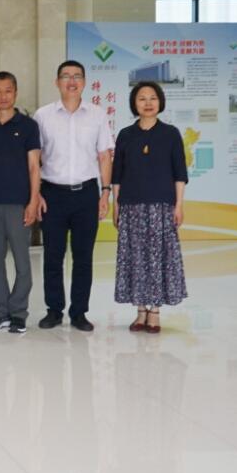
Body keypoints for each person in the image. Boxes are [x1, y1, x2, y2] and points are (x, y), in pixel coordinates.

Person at [34, 60, 114, 332]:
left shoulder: (97, 115)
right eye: (66, 76)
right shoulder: (43, 116)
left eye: (77, 76)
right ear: (57, 82)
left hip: (86, 195)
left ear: (84, 82)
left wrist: (105, 193)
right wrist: (36, 194)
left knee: (83, 257)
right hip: (52, 194)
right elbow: (34, 159)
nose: (71, 81)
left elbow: (104, 156)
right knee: (52, 256)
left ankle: (79, 312)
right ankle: (54, 310)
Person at [112, 81, 189, 334]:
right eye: (142, 98)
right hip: (131, 206)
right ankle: (140, 311)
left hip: (161, 206)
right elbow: (117, 175)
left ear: (160, 102)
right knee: (135, 258)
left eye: (152, 98)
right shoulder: (126, 135)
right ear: (134, 103)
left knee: (157, 258)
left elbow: (180, 173)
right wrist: (116, 206)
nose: (148, 103)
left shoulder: (170, 134)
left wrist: (179, 205)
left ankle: (154, 311)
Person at [0, 72, 42, 335]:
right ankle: (0, 311)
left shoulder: (28, 126)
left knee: (22, 263)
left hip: (18, 203)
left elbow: (34, 166)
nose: (3, 96)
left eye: (8, 90)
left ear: (15, 92)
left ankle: (19, 313)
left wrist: (33, 201)